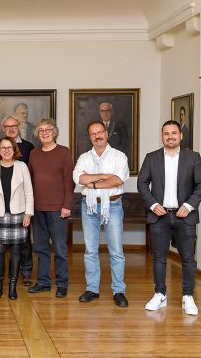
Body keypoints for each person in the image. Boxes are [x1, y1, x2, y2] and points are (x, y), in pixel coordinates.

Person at [137, 120, 201, 315]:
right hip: (159, 216)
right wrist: (153, 204)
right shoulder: (151, 158)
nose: (170, 136)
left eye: (174, 133)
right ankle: (160, 294)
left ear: (181, 136)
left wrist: (188, 205)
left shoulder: (193, 157)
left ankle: (188, 297)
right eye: (166, 133)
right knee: (159, 258)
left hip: (184, 216)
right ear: (162, 136)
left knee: (187, 258)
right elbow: (142, 183)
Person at [73, 121, 130, 307]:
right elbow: (79, 178)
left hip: (112, 206)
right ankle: (92, 289)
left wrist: (94, 182)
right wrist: (106, 176)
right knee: (90, 250)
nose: (97, 136)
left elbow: (118, 180)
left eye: (100, 132)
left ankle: (119, 291)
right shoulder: (84, 157)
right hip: (89, 206)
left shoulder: (118, 156)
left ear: (106, 133)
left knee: (116, 251)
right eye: (93, 133)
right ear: (89, 137)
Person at [27, 118, 74, 298]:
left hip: (58, 208)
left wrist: (66, 205)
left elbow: (69, 182)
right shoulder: (34, 154)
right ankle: (43, 282)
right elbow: (30, 180)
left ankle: (62, 284)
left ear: (55, 132)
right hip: (38, 208)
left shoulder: (63, 152)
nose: (44, 133)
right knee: (40, 247)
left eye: (48, 130)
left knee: (60, 249)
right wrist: (29, 207)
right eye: (41, 130)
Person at [0, 137, 33, 300]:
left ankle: (12, 286)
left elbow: (28, 192)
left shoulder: (22, 166)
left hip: (18, 214)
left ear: (14, 149)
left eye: (9, 147)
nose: (6, 150)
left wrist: (28, 213)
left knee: (16, 252)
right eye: (3, 148)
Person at [0, 114, 35, 286]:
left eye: (14, 126)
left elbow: (31, 174)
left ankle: (25, 273)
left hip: (21, 204)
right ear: (3, 129)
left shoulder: (29, 147)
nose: (11, 129)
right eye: (7, 126)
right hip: (1, 205)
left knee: (23, 242)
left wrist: (28, 208)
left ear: (19, 126)